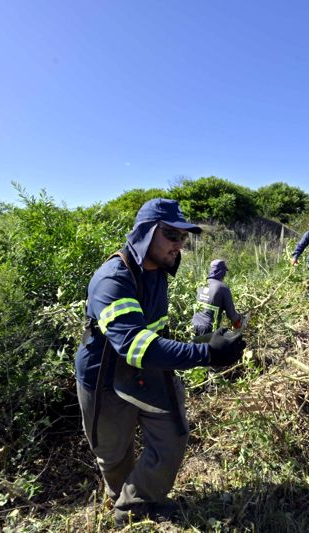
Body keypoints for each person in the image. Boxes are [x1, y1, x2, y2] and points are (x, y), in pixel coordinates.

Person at [75, 198, 246, 528]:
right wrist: (207, 354)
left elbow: (153, 334)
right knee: (113, 453)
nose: (179, 244)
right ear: (145, 233)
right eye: (170, 234)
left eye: (184, 237)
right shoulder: (113, 279)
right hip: (103, 379)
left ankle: (135, 503)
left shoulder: (158, 272)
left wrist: (205, 345)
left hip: (149, 370)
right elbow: (133, 345)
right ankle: (125, 508)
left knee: (173, 436)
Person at [191, 259, 242, 336]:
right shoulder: (222, 288)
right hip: (209, 329)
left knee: (196, 347)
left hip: (192, 326)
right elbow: (231, 315)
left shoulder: (201, 284)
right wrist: (240, 318)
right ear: (222, 272)